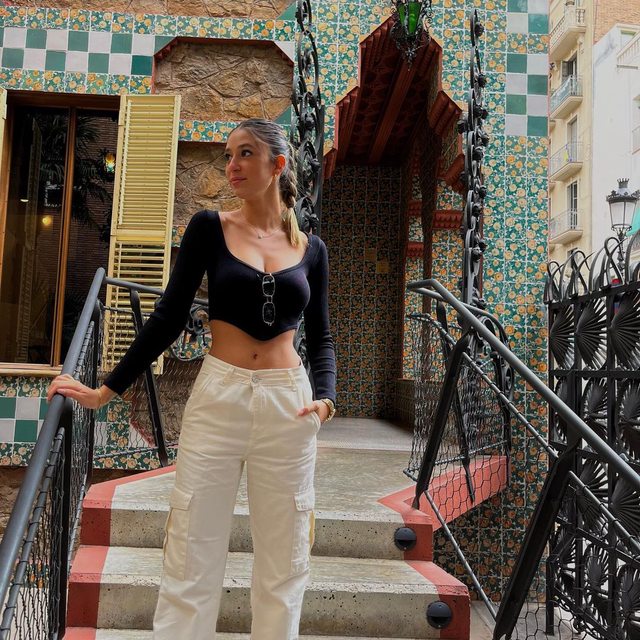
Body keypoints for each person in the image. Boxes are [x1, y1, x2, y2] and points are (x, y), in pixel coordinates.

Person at [47, 118, 336, 640]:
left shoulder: (312, 250)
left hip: (289, 407)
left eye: (244, 153)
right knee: (190, 551)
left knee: (286, 557)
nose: (231, 166)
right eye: (228, 155)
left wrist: (326, 400)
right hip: (219, 398)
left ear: (277, 165)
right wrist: (106, 389)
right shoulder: (209, 228)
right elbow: (168, 316)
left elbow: (322, 338)